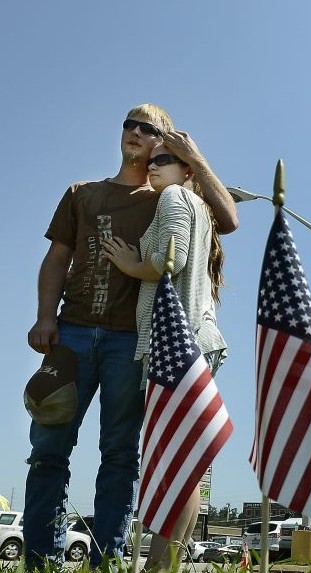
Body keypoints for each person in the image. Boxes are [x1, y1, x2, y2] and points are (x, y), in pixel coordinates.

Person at [25, 104, 237, 571]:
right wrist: (46, 316)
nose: (136, 132)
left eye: (149, 129)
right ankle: (41, 558)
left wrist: (195, 158)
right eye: (129, 124)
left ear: (167, 145)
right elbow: (57, 258)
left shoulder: (167, 195)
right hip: (73, 331)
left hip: (132, 341)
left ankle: (108, 559)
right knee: (48, 447)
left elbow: (228, 219)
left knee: (120, 453)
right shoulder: (83, 193)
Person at [102, 141, 229, 572]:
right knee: (184, 461)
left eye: (163, 160)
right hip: (194, 344)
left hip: (177, 345)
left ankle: (159, 564)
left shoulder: (175, 197)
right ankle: (167, 563)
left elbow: (166, 260)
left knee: (174, 459)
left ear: (188, 169)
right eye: (150, 160)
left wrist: (128, 264)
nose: (151, 167)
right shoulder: (199, 207)